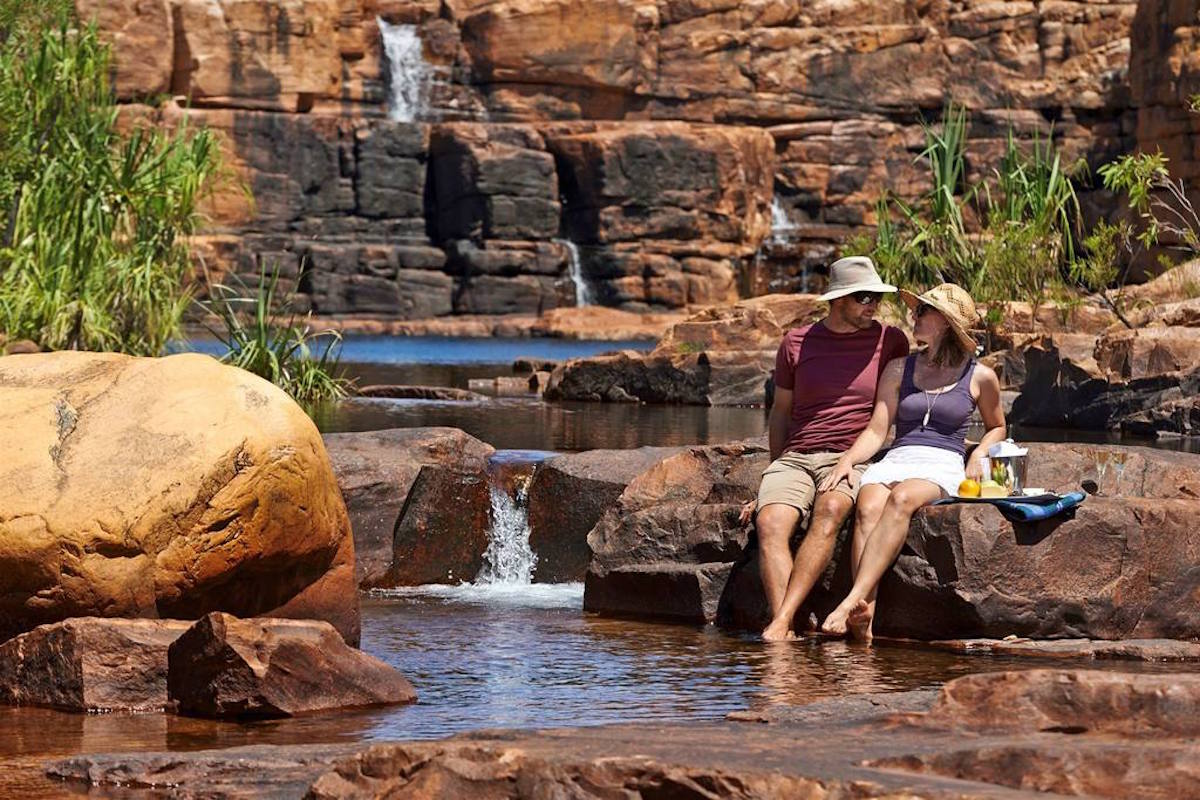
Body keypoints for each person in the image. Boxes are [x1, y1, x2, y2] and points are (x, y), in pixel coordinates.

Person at [817, 283, 1006, 641]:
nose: (913, 316)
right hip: (900, 455)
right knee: (869, 503)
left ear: (946, 323)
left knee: (901, 499)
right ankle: (865, 623)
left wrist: (979, 452)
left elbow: (998, 427)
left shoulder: (980, 376)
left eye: (922, 311)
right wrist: (848, 460)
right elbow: (877, 430)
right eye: (916, 310)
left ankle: (852, 601)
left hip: (942, 461)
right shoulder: (898, 369)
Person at [747, 256, 910, 642]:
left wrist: (853, 460)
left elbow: (887, 414)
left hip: (851, 455)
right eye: (863, 298)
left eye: (876, 298)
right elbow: (780, 412)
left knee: (832, 508)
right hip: (797, 457)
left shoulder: (891, 340)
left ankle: (780, 623)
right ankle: (784, 623)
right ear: (838, 300)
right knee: (770, 522)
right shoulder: (796, 343)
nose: (873, 305)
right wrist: (775, 470)